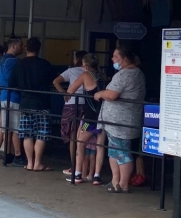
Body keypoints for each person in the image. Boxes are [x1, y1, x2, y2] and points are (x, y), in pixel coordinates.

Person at [94, 44, 146, 193]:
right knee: (114, 151)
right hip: (117, 121)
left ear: (125, 58)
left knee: (122, 152)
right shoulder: (133, 73)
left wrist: (100, 93)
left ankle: (122, 184)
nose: (112, 58)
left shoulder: (126, 74)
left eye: (116, 56)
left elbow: (111, 95)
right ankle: (115, 181)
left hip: (121, 122)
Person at [9, 37, 56, 171]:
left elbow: (11, 83)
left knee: (27, 134)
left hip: (25, 102)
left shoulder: (19, 64)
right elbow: (54, 80)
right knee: (42, 134)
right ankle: (38, 163)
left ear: (26, 48)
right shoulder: (45, 64)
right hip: (42, 103)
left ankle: (29, 163)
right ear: (39, 49)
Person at [64, 54, 105, 184]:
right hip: (104, 116)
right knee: (100, 146)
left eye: (82, 64)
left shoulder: (85, 75)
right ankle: (97, 176)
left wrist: (66, 97)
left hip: (90, 118)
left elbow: (70, 90)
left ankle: (77, 174)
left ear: (86, 66)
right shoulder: (102, 76)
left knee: (80, 142)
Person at [54, 50, 88, 173]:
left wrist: (63, 93)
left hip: (71, 106)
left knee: (73, 136)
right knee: (85, 136)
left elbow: (56, 81)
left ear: (77, 59)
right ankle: (86, 169)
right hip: (86, 106)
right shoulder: (90, 72)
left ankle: (75, 167)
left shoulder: (71, 71)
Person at [0, 37, 25, 167]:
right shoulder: (16, 62)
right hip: (14, 96)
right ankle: (18, 155)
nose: (23, 48)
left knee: (7, 127)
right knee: (15, 128)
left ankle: (7, 153)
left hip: (4, 95)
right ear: (14, 46)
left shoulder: (2, 60)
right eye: (21, 46)